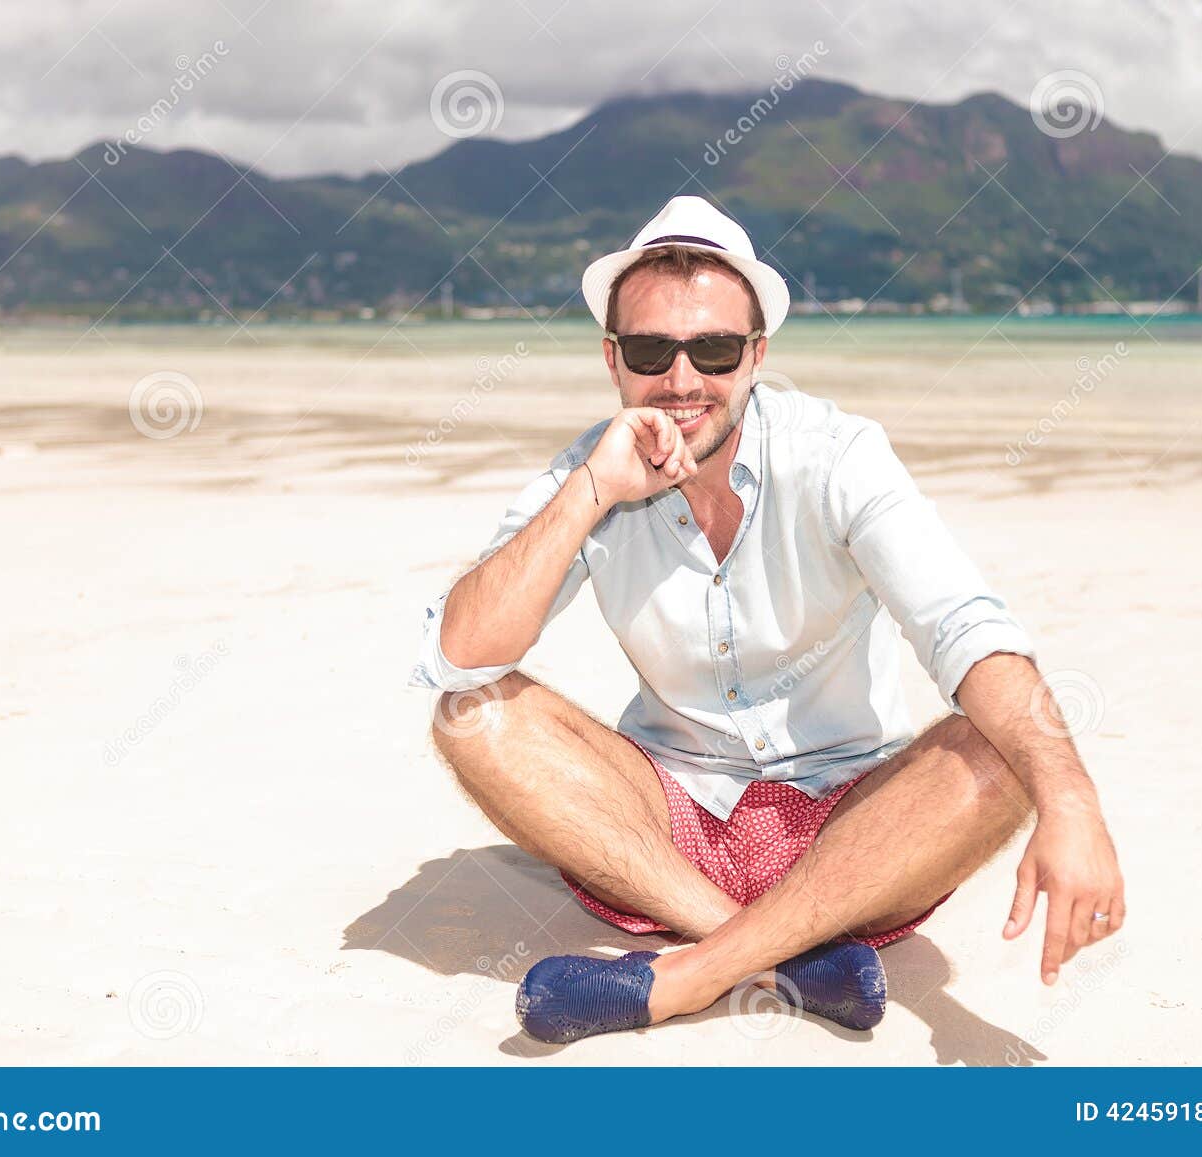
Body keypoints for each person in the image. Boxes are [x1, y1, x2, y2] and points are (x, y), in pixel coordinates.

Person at [410, 195, 1125, 1044]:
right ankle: (778, 958)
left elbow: (965, 629)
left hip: (851, 829)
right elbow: (458, 656)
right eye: (650, 350)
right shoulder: (590, 469)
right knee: (468, 710)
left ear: (756, 355)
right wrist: (592, 492)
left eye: (712, 348)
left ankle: (685, 976)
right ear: (613, 360)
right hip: (666, 828)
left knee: (1004, 752)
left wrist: (1071, 802)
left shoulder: (839, 457)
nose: (681, 380)